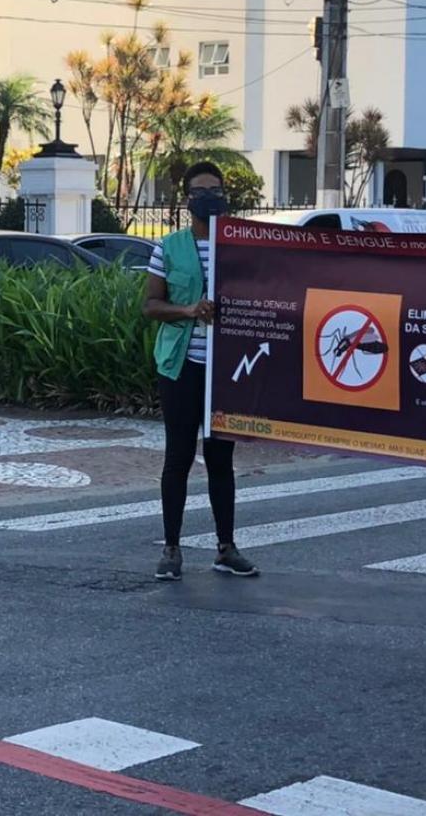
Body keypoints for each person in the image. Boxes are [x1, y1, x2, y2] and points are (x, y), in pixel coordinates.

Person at [142, 161, 258, 582]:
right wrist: (190, 310)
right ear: (187, 199)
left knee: (220, 459)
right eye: (200, 191)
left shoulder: (243, 247)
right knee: (178, 457)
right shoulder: (168, 247)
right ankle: (171, 549)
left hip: (226, 371)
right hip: (181, 366)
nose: (209, 197)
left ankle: (225, 547)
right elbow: (151, 306)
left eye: (215, 189)